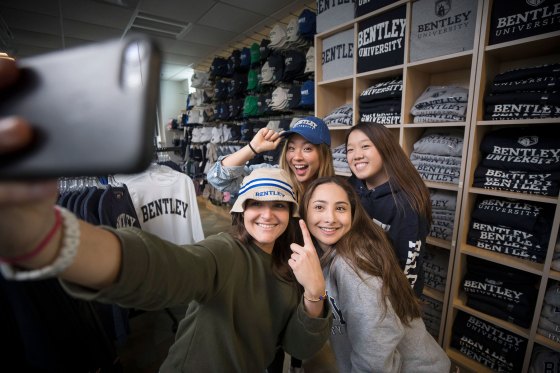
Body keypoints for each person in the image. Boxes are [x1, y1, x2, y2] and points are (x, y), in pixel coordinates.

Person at [0, 58, 332, 372]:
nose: (267, 214)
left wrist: (314, 291)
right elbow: (165, 268)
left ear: (291, 214)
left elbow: (299, 343)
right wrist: (62, 241)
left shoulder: (304, 247)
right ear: (240, 209)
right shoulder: (226, 253)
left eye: (278, 205)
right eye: (255, 203)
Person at [300, 176, 450, 372]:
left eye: (340, 208)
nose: (330, 218)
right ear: (304, 213)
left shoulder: (351, 264)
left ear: (353, 214)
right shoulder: (326, 255)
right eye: (319, 207)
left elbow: (377, 344)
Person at [345, 122, 432, 296]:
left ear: (385, 148)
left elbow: (407, 269)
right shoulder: (350, 186)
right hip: (354, 285)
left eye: (365, 146)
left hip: (388, 296)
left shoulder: (407, 203)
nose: (357, 155)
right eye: (350, 150)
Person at [208, 115, 335, 204]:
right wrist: (253, 147)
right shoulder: (272, 176)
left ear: (323, 154)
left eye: (307, 149)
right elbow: (218, 178)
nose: (297, 157)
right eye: (291, 148)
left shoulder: (336, 190)